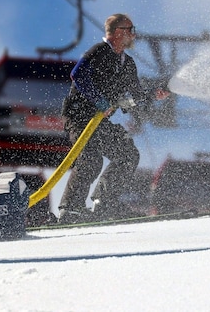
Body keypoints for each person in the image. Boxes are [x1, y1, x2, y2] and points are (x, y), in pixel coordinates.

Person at [58, 13, 170, 224]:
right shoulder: (99, 52)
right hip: (80, 118)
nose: (134, 36)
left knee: (127, 155)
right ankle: (70, 210)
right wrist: (100, 101)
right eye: (131, 31)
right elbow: (78, 74)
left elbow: (135, 94)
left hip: (100, 122)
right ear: (119, 33)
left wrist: (154, 93)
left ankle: (104, 204)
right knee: (91, 160)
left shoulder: (127, 63)